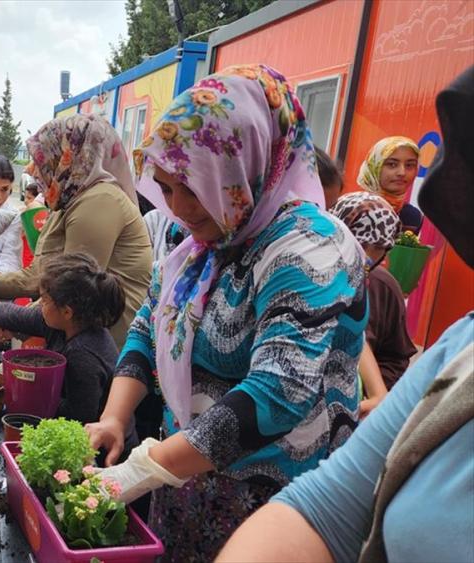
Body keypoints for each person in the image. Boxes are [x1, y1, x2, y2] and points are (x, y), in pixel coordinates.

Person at [86, 65, 366, 560]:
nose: (179, 208)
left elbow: (278, 393)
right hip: (188, 478)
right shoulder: (197, 241)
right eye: (167, 189)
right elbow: (151, 325)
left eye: (193, 189)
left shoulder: (307, 247)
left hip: (275, 507)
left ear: (243, 168)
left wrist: (142, 470)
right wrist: (114, 417)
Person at [218, 65, 474, 563]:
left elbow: (287, 382)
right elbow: (327, 505)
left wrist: (159, 460)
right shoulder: (461, 351)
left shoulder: (318, 255)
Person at [0, 113, 153, 349]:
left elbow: (70, 288)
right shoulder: (67, 201)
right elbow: (38, 276)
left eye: (43, 158)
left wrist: (3, 323)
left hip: (106, 348)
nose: (33, 169)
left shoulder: (99, 201)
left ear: (69, 157)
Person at [0, 252, 131, 431]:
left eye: (45, 300)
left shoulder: (83, 354)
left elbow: (79, 416)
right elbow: (15, 316)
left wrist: (23, 393)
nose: (40, 304)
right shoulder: (64, 323)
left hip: (99, 448)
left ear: (67, 311)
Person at [332, 192, 416, 404]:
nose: (367, 255)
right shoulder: (315, 275)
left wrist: (371, 395)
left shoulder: (383, 287)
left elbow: (395, 356)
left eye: (379, 248)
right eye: (360, 241)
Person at [358, 136, 424, 234]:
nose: (402, 173)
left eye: (409, 165)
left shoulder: (412, 216)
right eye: (392, 164)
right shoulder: (355, 208)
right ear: (374, 166)